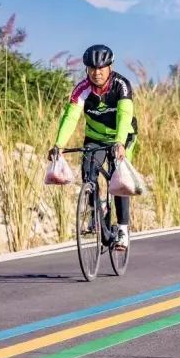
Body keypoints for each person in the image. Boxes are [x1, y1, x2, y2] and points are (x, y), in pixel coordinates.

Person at [52, 44, 138, 249]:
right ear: (86, 69)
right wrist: (59, 144)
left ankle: (123, 231)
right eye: (91, 68)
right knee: (88, 175)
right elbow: (71, 116)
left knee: (120, 182)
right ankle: (98, 213)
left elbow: (124, 115)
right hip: (95, 138)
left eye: (101, 68)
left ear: (110, 67)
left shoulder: (121, 85)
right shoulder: (82, 89)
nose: (96, 73)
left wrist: (119, 142)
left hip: (122, 135)